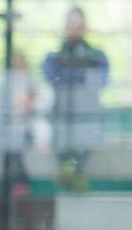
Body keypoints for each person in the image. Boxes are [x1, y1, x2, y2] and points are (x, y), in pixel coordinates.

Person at [43, 6, 109, 193]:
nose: (74, 27)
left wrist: (71, 75)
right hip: (63, 118)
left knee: (83, 138)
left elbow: (100, 80)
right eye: (70, 23)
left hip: (87, 118)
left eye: (78, 23)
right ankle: (72, 173)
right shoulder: (54, 57)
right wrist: (79, 75)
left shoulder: (97, 56)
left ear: (85, 26)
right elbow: (52, 76)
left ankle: (74, 172)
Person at [0, 50, 38, 195]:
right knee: (9, 158)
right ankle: (12, 189)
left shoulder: (29, 83)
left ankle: (18, 188)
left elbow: (34, 107)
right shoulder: (4, 83)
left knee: (15, 157)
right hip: (7, 129)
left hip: (22, 128)